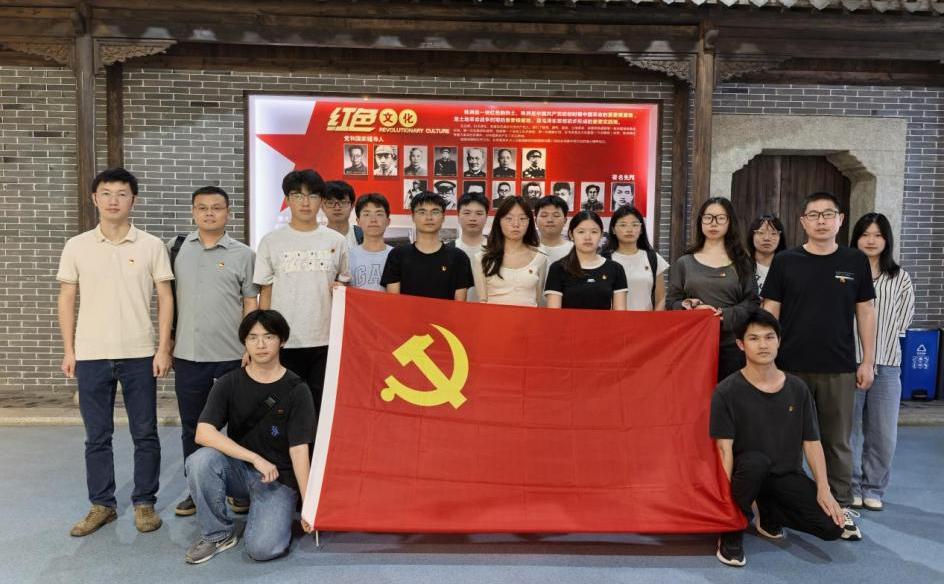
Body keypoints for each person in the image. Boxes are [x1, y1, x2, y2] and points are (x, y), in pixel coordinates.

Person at [57, 168, 173, 536]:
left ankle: (144, 503)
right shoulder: (77, 245)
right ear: (95, 199)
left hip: (139, 353)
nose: (113, 200)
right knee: (97, 435)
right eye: (106, 193)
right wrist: (69, 350)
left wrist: (163, 348)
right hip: (91, 354)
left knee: (145, 433)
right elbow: (67, 298)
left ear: (133, 200)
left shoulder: (151, 245)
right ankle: (102, 505)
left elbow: (166, 297)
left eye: (122, 194)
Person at [762, 191, 876, 537]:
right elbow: (770, 312)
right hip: (789, 367)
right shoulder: (786, 261)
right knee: (785, 441)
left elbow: (865, 312)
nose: (821, 221)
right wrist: (767, 361)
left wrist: (867, 361)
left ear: (840, 220)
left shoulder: (855, 260)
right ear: (803, 222)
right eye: (814, 215)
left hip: (838, 367)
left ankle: (840, 507)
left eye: (828, 214)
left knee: (836, 441)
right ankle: (786, 506)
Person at [710, 307, 849, 568]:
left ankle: (768, 513)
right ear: (740, 344)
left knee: (831, 528)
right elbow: (723, 451)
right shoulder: (726, 391)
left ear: (779, 341)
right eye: (754, 338)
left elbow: (812, 442)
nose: (763, 345)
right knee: (756, 462)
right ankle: (730, 531)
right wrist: (724, 505)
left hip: (784, 475)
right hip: (746, 474)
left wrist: (824, 489)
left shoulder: (797, 388)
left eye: (769, 337)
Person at [184, 310, 315, 564]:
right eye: (253, 338)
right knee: (200, 461)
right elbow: (203, 432)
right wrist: (255, 458)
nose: (261, 344)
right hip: (240, 470)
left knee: (263, 550)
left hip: (278, 479)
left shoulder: (298, 390)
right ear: (245, 342)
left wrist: (309, 504)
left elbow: (299, 449)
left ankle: (269, 511)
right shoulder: (229, 382)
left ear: (282, 340)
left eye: (269, 336)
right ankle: (218, 534)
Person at [168, 186, 259, 518]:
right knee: (193, 427)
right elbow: (167, 300)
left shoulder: (244, 254)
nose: (209, 213)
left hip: (232, 355)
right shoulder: (176, 249)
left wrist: (250, 346)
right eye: (202, 207)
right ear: (193, 212)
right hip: (189, 356)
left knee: (240, 425)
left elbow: (250, 303)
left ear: (228, 213)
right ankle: (197, 489)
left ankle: (239, 489)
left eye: (216, 208)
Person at [253, 169, 348, 415]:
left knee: (320, 408)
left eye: (312, 196)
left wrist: (341, 288)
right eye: (297, 195)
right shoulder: (271, 241)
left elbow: (345, 287)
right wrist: (264, 337)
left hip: (325, 340)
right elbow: (265, 292)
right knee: (282, 408)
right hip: (284, 339)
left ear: (321, 200)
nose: (305, 203)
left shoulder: (336, 241)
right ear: (287, 199)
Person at [850, 212, 915, 512]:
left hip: (888, 364)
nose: (871, 240)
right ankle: (850, 486)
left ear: (886, 240)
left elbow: (902, 321)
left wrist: (876, 352)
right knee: (847, 432)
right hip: (849, 362)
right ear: (856, 239)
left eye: (877, 235)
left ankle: (873, 488)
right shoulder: (846, 274)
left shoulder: (900, 278)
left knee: (883, 433)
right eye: (865, 234)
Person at [667, 197, 759, 382]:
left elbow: (752, 302)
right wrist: (690, 307)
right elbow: (671, 303)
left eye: (720, 218)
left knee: (730, 395)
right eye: (708, 217)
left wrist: (725, 315)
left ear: (730, 222)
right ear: (700, 221)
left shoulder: (742, 262)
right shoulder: (684, 262)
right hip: (693, 344)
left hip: (732, 345)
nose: (713, 223)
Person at [381, 191, 474, 300]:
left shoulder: (459, 257)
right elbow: (393, 302)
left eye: (435, 212)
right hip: (406, 312)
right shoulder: (397, 255)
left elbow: (459, 304)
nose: (429, 217)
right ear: (413, 217)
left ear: (443, 217)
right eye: (422, 212)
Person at [472, 197, 547, 307]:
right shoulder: (482, 258)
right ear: (499, 221)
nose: (516, 224)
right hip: (493, 316)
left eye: (522, 218)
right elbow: (482, 301)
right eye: (509, 218)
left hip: (529, 317)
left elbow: (538, 299)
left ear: (529, 222)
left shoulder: (540, 257)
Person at [545, 211, 627, 310]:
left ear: (601, 235)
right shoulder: (558, 268)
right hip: (567, 321)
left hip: (604, 321)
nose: (587, 237)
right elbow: (553, 314)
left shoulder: (615, 269)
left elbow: (620, 314)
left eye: (594, 232)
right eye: (581, 232)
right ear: (571, 234)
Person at [605, 205, 668, 311]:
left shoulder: (653, 258)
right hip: (614, 320)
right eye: (623, 225)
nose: (629, 230)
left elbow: (661, 298)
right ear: (613, 230)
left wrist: (655, 319)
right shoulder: (604, 260)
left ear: (641, 229)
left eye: (635, 225)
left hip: (646, 320)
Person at [454, 192, 490, 302]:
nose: (472, 218)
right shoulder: (449, 251)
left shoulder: (496, 250)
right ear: (458, 216)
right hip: (456, 309)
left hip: (489, 309)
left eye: (479, 213)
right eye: (467, 213)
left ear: (486, 217)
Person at [747, 214, 786, 293]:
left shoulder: (787, 269)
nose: (767, 238)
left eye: (773, 233)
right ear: (752, 236)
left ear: (780, 238)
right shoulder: (741, 266)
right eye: (761, 233)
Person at [323, 180, 363, 249]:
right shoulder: (316, 238)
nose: (337, 208)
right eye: (330, 203)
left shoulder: (363, 235)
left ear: (352, 206)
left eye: (343, 202)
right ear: (322, 206)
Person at [535, 196, 573, 267]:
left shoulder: (574, 250)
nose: (550, 220)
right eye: (544, 215)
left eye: (556, 215)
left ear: (565, 221)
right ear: (535, 220)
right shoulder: (527, 248)